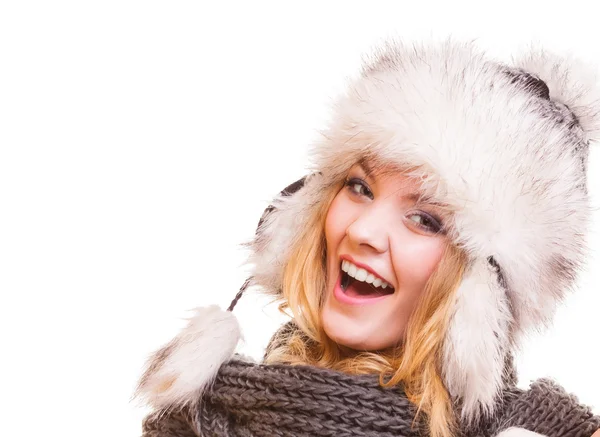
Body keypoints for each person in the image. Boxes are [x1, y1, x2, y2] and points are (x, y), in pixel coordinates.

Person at [133, 38, 600, 437]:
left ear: (483, 297)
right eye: (359, 187)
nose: (362, 231)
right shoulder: (197, 420)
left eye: (426, 220)